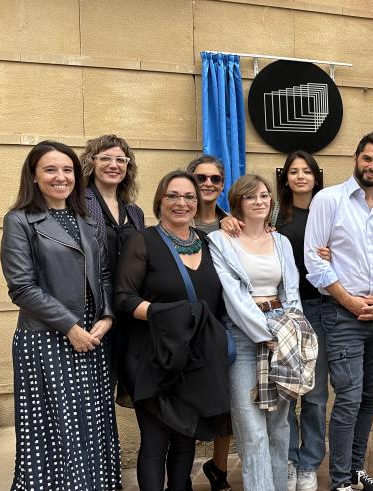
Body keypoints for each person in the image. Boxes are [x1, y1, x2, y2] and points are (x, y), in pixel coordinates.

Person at [0, 140, 121, 490]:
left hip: (92, 337)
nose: (61, 177)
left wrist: (108, 317)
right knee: (53, 429)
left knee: (91, 424)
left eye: (67, 169)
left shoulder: (85, 220)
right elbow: (21, 287)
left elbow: (104, 276)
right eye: (50, 170)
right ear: (34, 177)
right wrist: (70, 326)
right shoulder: (19, 220)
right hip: (47, 338)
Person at [304, 129, 373, 491]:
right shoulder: (328, 200)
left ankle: (354, 471)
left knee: (369, 397)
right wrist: (348, 300)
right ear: (356, 158)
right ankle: (339, 482)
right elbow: (314, 261)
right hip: (342, 314)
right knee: (348, 398)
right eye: (368, 158)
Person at [116, 170, 231, 491]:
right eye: (173, 196)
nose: (181, 203)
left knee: (185, 441)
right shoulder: (143, 241)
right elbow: (124, 298)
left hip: (195, 361)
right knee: (155, 444)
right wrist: (168, 314)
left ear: (198, 203)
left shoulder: (210, 245)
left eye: (189, 197)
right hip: (152, 359)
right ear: (160, 201)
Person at [208, 174, 308, 491]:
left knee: (280, 426)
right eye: (251, 197)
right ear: (238, 202)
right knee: (251, 428)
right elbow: (233, 295)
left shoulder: (280, 241)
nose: (260, 201)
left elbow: (291, 289)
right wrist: (265, 333)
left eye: (265, 195)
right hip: (244, 337)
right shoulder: (221, 242)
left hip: (283, 332)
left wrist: (290, 328)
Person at [185, 153, 238, 490]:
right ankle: (182, 473)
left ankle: (218, 469)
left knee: (226, 402)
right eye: (201, 178)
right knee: (187, 404)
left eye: (214, 179)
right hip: (186, 325)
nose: (207, 184)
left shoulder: (232, 224)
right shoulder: (174, 223)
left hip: (224, 323)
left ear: (222, 185)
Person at [275, 151, 328, 491]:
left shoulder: (328, 214)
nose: (300, 177)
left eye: (306, 171)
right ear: (286, 179)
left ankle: (309, 462)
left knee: (316, 394)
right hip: (282, 313)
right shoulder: (275, 216)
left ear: (315, 177)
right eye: (293, 171)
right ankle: (290, 460)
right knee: (285, 392)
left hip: (321, 308)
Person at [80, 134, 145, 399]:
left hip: (129, 308)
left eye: (121, 159)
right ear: (91, 162)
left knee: (131, 377)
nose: (113, 164)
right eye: (105, 158)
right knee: (93, 386)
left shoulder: (135, 212)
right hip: (93, 308)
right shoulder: (79, 203)